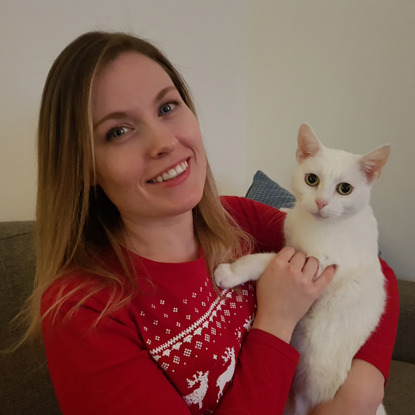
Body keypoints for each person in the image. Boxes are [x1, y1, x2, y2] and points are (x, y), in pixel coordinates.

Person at [25, 31, 399, 414]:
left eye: (167, 107)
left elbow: (367, 267)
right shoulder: (83, 312)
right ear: (83, 164)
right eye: (118, 131)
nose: (165, 142)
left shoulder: (239, 218)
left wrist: (361, 389)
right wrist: (275, 321)